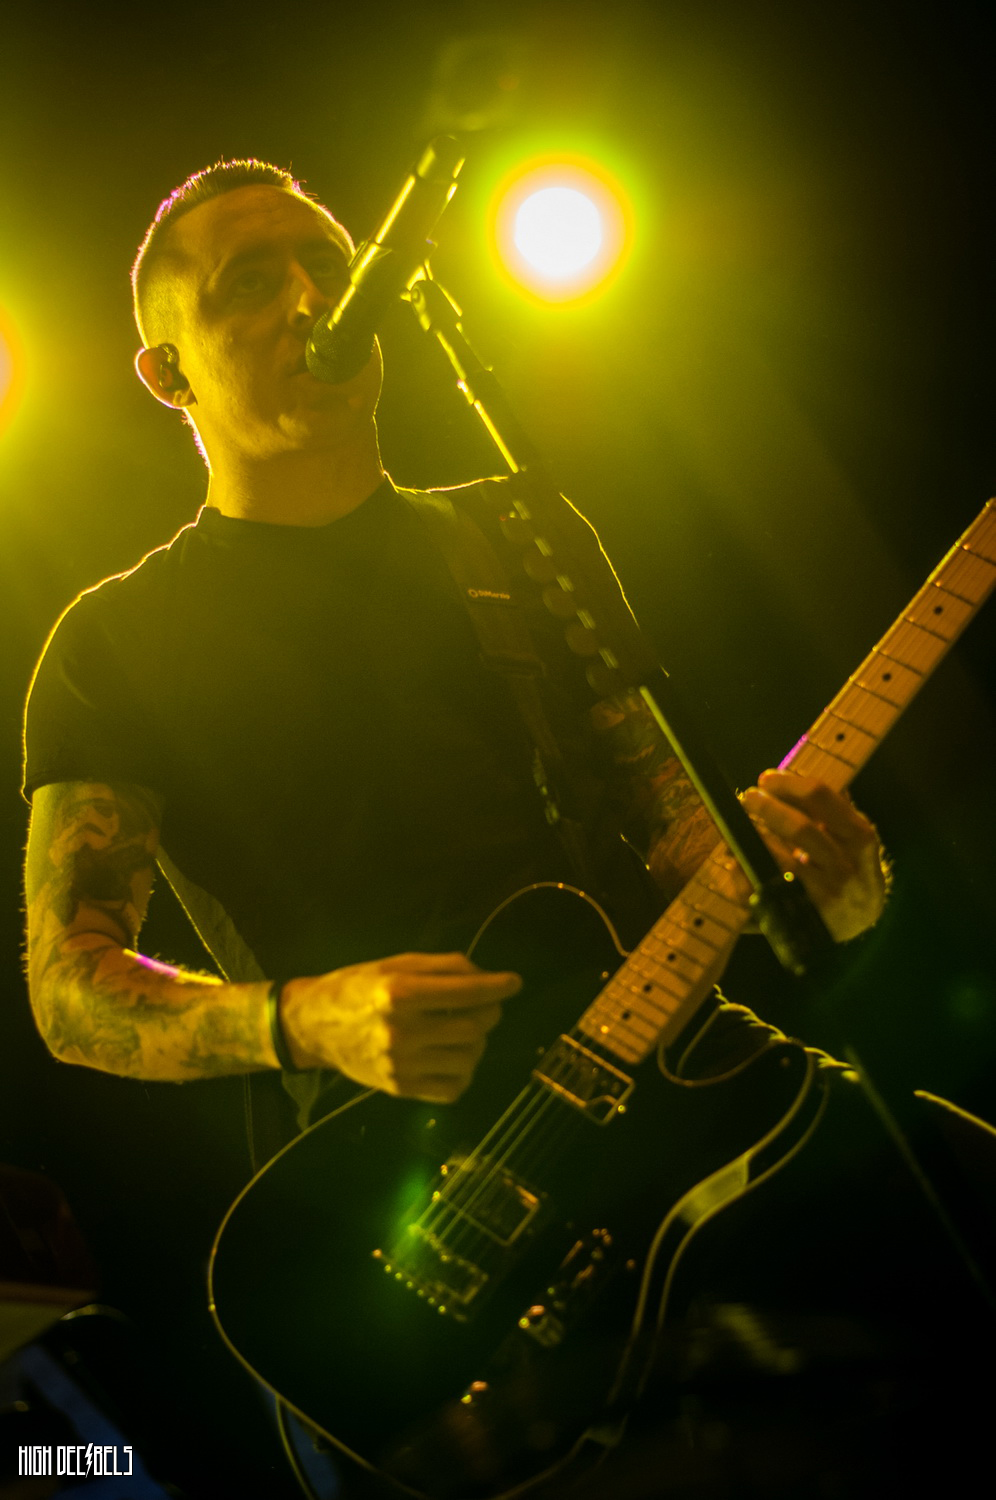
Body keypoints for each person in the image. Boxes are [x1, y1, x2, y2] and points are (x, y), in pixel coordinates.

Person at [20, 159, 888, 1494]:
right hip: (405, 1219)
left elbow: (681, 836)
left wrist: (830, 885)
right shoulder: (112, 644)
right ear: (167, 372)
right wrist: (307, 1018)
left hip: (673, 1103)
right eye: (249, 284)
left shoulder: (518, 529)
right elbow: (70, 987)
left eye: (329, 265)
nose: (311, 299)